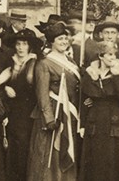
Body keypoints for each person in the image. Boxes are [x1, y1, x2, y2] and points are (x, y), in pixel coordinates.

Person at [28, 23, 81, 181]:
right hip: (53, 112)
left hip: (68, 111)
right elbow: (42, 94)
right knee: (50, 154)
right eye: (60, 39)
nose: (64, 41)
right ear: (52, 41)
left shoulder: (71, 60)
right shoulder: (44, 63)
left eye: (66, 38)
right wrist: (49, 119)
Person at [80, 41, 119, 181]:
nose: (112, 58)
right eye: (109, 54)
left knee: (112, 157)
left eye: (115, 55)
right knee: (94, 156)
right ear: (100, 56)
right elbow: (85, 95)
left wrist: (115, 75)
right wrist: (83, 124)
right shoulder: (90, 73)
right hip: (94, 118)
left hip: (113, 119)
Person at [0, 29, 41, 181]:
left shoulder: (35, 63)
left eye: (24, 44)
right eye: (18, 44)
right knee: (12, 144)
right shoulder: (11, 62)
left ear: (29, 46)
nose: (21, 47)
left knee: (24, 145)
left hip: (28, 110)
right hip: (12, 110)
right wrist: (5, 88)